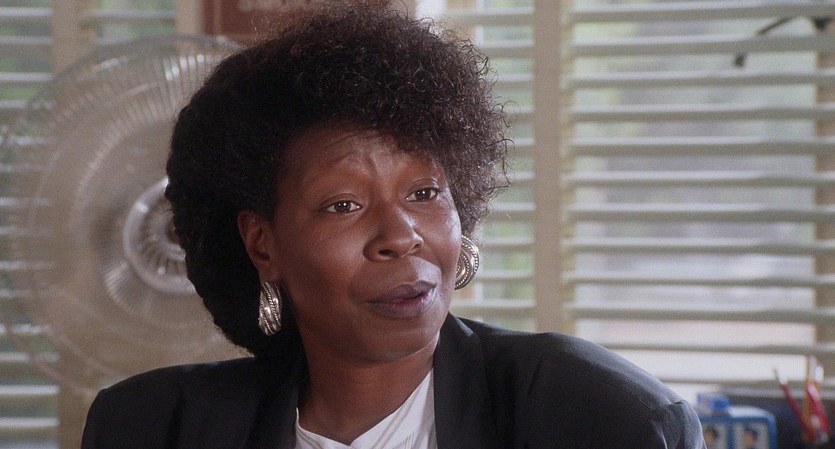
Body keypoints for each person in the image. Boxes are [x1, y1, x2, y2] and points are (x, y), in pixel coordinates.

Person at [80, 2, 706, 448]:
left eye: (425, 193)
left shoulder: (604, 420)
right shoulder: (151, 427)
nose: (401, 235)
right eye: (343, 205)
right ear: (262, 244)